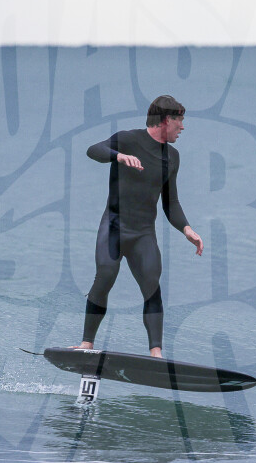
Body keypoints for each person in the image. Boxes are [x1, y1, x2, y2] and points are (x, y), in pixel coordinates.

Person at [72, 95, 203, 359]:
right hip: (115, 227)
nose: (182, 126)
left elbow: (171, 202)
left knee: (152, 285)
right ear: (165, 120)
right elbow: (93, 150)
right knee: (106, 274)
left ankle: (156, 354)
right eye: (179, 121)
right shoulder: (128, 139)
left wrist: (186, 229)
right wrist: (119, 156)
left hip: (144, 234)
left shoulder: (172, 157)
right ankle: (86, 344)